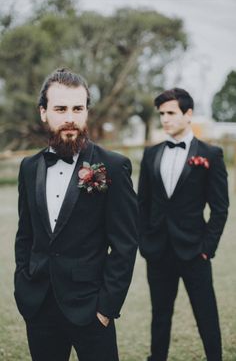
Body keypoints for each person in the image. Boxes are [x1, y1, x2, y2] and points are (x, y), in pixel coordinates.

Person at [14, 68, 138, 361]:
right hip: (39, 307)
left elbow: (125, 244)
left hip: (92, 310)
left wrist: (106, 308)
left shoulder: (113, 166)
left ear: (86, 111)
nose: (70, 117)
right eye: (60, 109)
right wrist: (23, 286)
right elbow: (25, 235)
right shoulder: (28, 168)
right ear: (44, 113)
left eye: (77, 108)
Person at [138, 88, 229, 361]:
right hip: (158, 252)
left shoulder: (210, 155)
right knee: (160, 317)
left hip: (194, 251)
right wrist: (145, 242)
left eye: (171, 113)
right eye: (162, 114)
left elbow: (220, 208)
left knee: (206, 315)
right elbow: (142, 203)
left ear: (188, 114)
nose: (165, 119)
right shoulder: (151, 154)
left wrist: (207, 247)